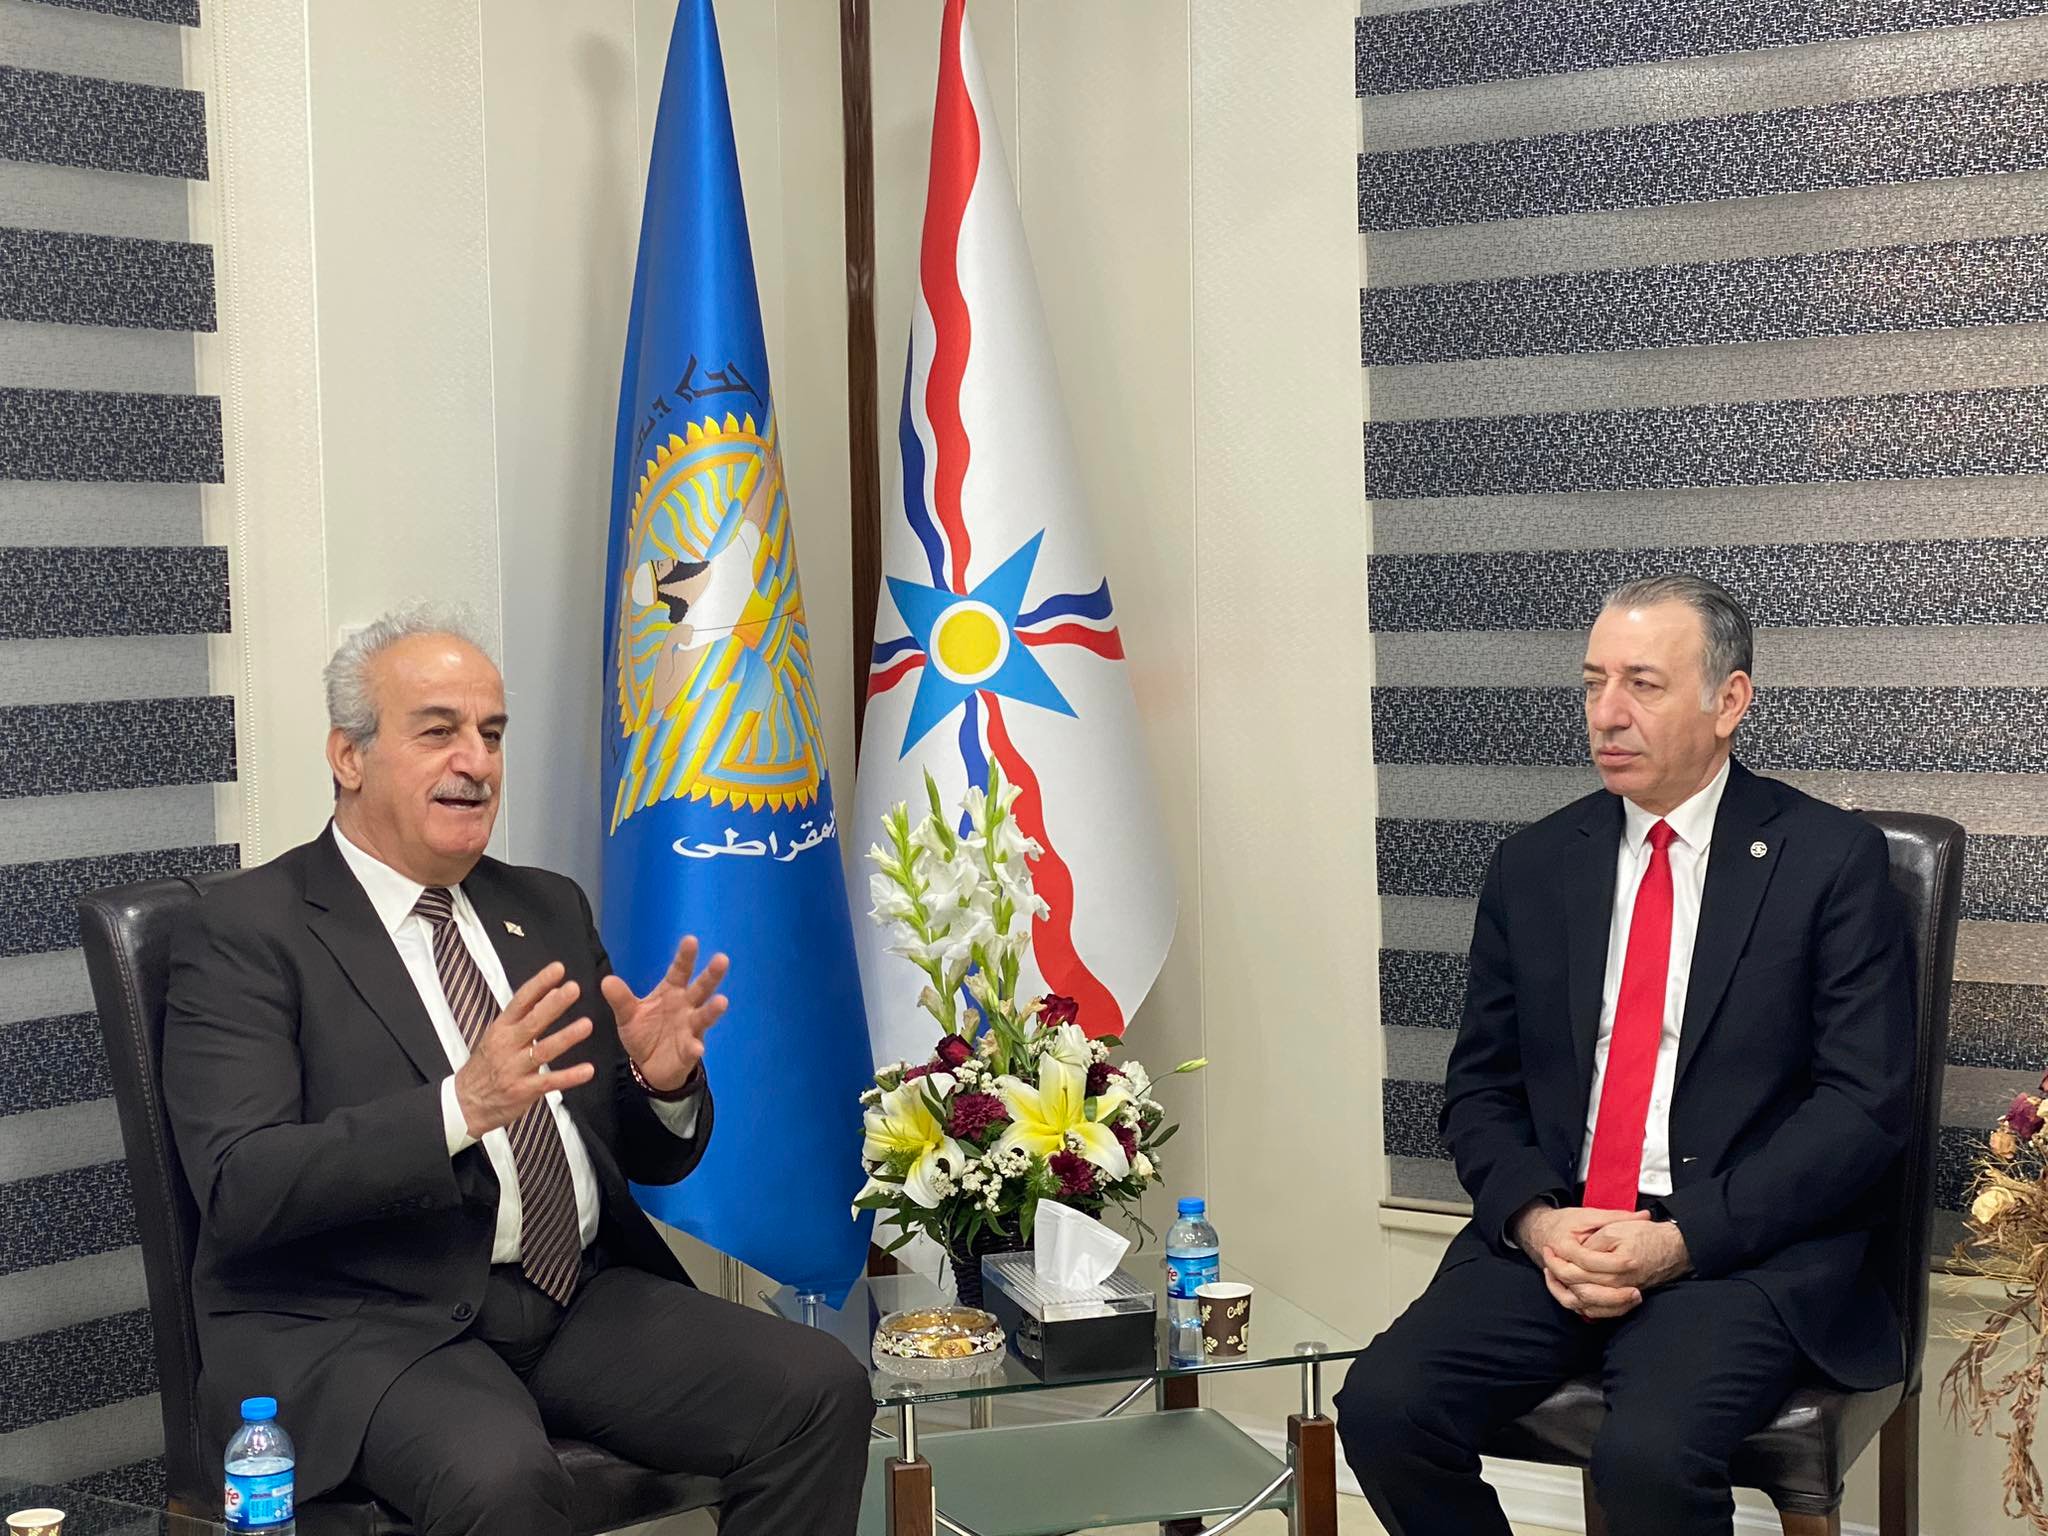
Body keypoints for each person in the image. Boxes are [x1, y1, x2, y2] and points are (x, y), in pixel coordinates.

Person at [163, 609, 873, 1536]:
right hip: (370, 1326)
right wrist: (458, 1108)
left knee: (819, 1389)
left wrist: (659, 1087)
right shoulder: (248, 931)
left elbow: (641, 1160)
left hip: (573, 1297)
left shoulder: (542, 906)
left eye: (492, 734)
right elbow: (240, 1186)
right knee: (502, 1482)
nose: (477, 761)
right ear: (348, 756)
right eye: (439, 732)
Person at [1336, 574, 1914, 1535]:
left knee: (1648, 1459)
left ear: (1729, 701)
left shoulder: (1828, 859)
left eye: (1642, 684)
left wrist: (1681, 1238)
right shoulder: (1534, 865)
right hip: (1560, 1234)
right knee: (1384, 1408)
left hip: (1734, 1250)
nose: (1607, 714)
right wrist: (1537, 1223)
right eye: (1593, 682)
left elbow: (1861, 1110)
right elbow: (1479, 1090)